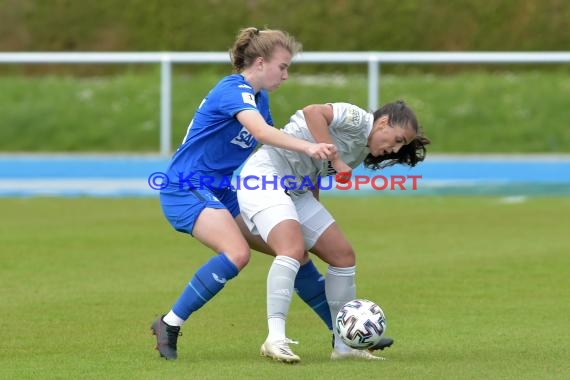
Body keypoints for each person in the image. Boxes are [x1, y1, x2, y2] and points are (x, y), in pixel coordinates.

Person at [151, 27, 337, 360]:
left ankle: (343, 334)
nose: (286, 75)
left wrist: (299, 181)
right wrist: (310, 147)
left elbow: (270, 147)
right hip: (185, 187)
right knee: (237, 253)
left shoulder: (259, 99)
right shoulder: (232, 89)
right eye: (282, 67)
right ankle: (170, 323)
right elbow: (262, 132)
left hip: (223, 189)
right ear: (261, 62)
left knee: (292, 250)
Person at [237, 100, 431, 363]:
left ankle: (344, 346)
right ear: (383, 123)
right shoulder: (359, 120)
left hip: (296, 191)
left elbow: (313, 170)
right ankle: (275, 338)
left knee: (343, 256)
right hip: (265, 177)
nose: (394, 149)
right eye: (397, 140)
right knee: (292, 250)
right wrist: (337, 160)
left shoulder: (361, 151)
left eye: (401, 146)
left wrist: (314, 208)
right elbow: (312, 112)